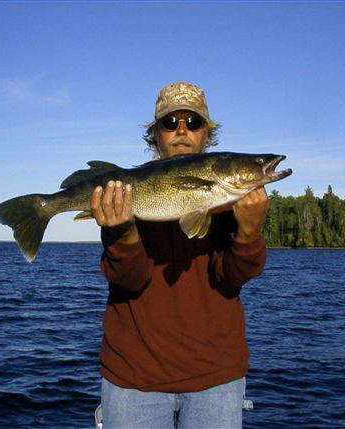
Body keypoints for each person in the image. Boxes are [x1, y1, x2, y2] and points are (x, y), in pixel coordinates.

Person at [90, 82, 270, 428]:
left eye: (194, 122)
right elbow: (129, 280)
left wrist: (249, 231)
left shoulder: (231, 202)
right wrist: (124, 231)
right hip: (133, 377)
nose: (182, 131)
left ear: (208, 135)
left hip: (215, 377)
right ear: (155, 135)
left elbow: (232, 278)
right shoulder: (125, 194)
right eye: (170, 123)